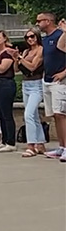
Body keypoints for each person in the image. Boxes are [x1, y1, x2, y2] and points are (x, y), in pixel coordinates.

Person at [37, 14, 66, 160]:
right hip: (47, 80)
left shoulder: (61, 34)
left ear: (48, 21)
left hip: (59, 81)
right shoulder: (46, 38)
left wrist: (64, 73)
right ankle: (61, 147)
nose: (37, 24)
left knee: (61, 114)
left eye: (39, 21)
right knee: (55, 115)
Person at [15, 28, 46, 157]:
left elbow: (33, 66)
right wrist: (17, 59)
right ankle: (41, 143)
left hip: (37, 84)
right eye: (27, 37)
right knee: (34, 116)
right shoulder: (27, 51)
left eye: (32, 36)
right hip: (26, 83)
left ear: (37, 36)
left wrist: (21, 59)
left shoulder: (40, 50)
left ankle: (31, 145)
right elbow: (17, 68)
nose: (30, 39)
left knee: (28, 115)